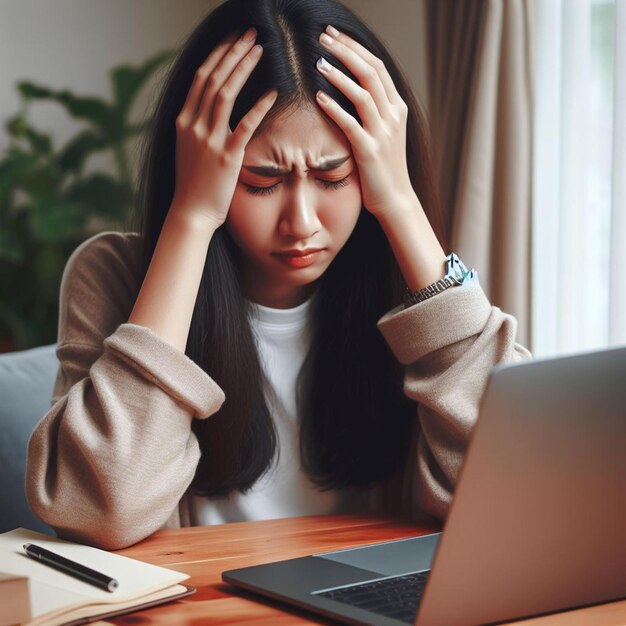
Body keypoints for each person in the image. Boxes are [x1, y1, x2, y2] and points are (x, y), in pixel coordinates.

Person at [25, 0, 530, 550]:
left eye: (334, 176)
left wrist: (402, 204)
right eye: (262, 182)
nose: (303, 224)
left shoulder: (407, 278)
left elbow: (513, 488)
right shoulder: (113, 275)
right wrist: (191, 219)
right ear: (199, 168)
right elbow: (99, 513)